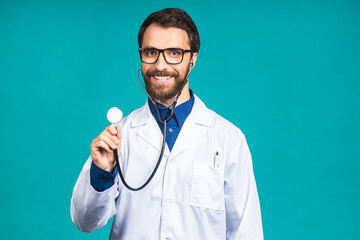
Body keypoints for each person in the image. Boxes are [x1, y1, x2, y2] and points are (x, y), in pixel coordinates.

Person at [70, 8, 263, 240]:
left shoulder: (229, 139)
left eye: (174, 53)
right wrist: (102, 172)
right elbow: (84, 221)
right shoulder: (120, 136)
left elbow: (246, 231)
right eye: (151, 52)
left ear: (192, 59)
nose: (161, 65)